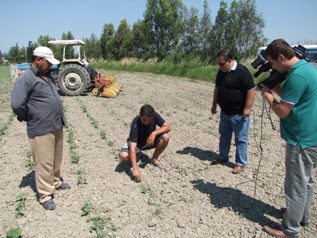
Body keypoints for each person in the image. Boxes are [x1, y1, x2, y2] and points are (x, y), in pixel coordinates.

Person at [260, 39, 317, 238]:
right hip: (311, 136)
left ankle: (290, 230)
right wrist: (275, 88)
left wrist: (267, 96)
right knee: (306, 181)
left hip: (301, 139)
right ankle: (301, 216)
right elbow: (291, 99)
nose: (273, 68)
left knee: (296, 185)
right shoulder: (306, 69)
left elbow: (283, 110)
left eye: (273, 63)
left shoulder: (297, 76)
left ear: (282, 57)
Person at [11, 46, 71, 210]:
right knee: (44, 162)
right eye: (48, 62)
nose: (51, 65)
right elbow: (16, 104)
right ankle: (45, 195)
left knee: (55, 158)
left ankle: (55, 181)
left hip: (56, 124)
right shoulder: (26, 78)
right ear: (38, 60)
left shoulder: (46, 76)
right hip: (41, 127)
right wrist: (28, 115)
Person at [211, 49, 256, 174]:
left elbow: (251, 90)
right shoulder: (221, 72)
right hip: (225, 112)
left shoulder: (242, 71)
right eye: (218, 64)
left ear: (230, 61)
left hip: (239, 114)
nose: (219, 66)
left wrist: (247, 108)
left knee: (241, 139)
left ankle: (240, 163)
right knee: (224, 135)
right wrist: (214, 104)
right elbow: (217, 88)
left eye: (221, 64)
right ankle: (223, 156)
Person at [119, 104, 171, 182]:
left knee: (166, 137)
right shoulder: (135, 123)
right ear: (140, 115)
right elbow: (133, 148)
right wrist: (135, 168)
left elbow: (167, 127)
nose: (146, 122)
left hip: (148, 142)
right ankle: (138, 155)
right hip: (137, 145)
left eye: (149, 120)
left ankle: (154, 158)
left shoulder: (154, 115)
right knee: (123, 156)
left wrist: (154, 133)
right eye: (144, 120)